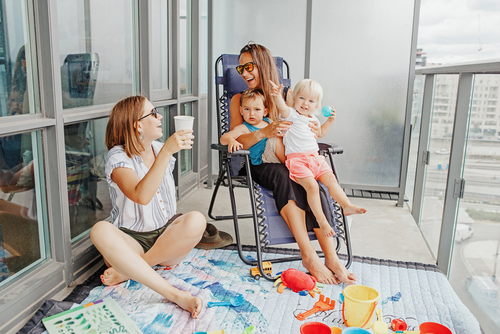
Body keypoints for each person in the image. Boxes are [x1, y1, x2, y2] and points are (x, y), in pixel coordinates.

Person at [229, 42, 356, 285]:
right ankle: (309, 256)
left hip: (293, 159)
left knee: (315, 187)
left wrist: (317, 126)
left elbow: (306, 122)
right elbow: (237, 139)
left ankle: (331, 257)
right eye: (240, 68)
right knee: (283, 177)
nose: (244, 73)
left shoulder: (287, 95)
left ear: (263, 65)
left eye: (248, 66)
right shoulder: (239, 100)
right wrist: (264, 132)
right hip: (259, 163)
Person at [90, 96, 206, 318]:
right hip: (131, 242)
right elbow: (140, 195)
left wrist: (164, 152)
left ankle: (129, 271)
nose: (160, 116)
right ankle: (176, 295)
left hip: (166, 240)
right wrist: (166, 152)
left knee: (197, 219)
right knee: (100, 230)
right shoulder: (118, 157)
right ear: (138, 124)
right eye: (153, 113)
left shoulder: (160, 148)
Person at [270, 79, 366, 238]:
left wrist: (330, 120)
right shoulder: (291, 114)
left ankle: (346, 205)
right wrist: (276, 96)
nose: (305, 103)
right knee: (312, 187)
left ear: (316, 106)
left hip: (316, 159)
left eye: (311, 101)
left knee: (331, 180)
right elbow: (281, 106)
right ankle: (321, 220)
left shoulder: (313, 119)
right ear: (294, 99)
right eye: (301, 98)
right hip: (298, 161)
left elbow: (320, 133)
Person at [221, 88, 284, 164]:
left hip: (276, 155)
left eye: (257, 109)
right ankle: (291, 165)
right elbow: (223, 138)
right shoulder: (243, 128)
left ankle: (296, 160)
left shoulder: (268, 121)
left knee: (284, 133)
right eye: (247, 109)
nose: (252, 114)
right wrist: (231, 140)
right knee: (276, 139)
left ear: (265, 112)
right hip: (264, 159)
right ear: (241, 111)